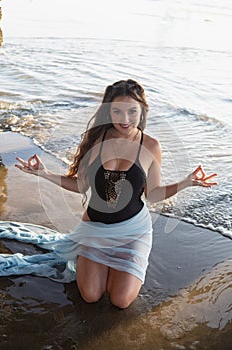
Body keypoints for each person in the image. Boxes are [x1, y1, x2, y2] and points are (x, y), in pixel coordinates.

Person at [15, 79, 218, 309]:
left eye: (132, 111)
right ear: (107, 111)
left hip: (133, 231)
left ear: (142, 111)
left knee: (120, 301)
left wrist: (186, 183)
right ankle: (91, 258)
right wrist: (45, 173)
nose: (125, 119)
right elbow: (81, 185)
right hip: (95, 228)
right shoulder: (96, 139)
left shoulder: (151, 146)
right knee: (90, 295)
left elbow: (151, 195)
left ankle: (125, 261)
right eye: (117, 111)